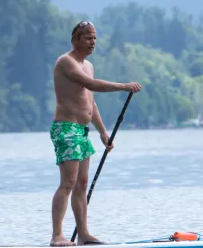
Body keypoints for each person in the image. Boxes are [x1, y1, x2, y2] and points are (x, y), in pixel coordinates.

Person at [49, 20, 141, 247]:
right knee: (68, 183)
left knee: (81, 184)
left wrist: (102, 132)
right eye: (88, 38)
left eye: (95, 38)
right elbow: (92, 85)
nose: (93, 42)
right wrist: (123, 86)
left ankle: (83, 234)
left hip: (82, 130)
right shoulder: (66, 62)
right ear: (76, 39)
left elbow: (91, 102)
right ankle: (57, 236)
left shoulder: (88, 65)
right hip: (66, 129)